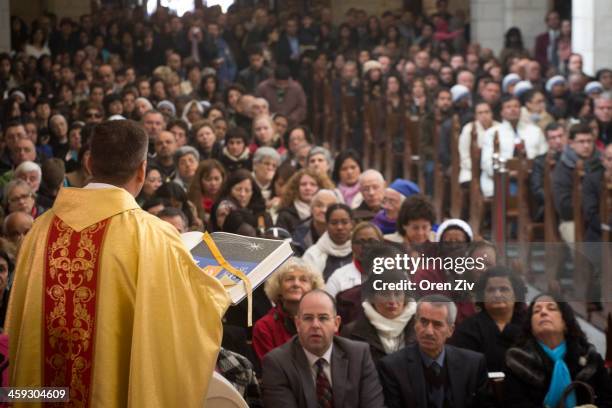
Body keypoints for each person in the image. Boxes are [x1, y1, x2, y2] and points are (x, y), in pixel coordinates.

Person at [6, 120, 230, 407]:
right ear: (142, 170)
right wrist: (220, 293)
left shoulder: (39, 231)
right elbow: (191, 319)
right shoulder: (153, 234)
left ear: (88, 163)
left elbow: (17, 327)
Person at [262, 289, 385, 408]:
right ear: (297, 324)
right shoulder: (277, 363)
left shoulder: (358, 354)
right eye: (308, 318)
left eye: (323, 318)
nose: (315, 325)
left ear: (336, 324)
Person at [378, 294, 492, 408]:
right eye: (423, 322)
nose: (429, 331)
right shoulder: (392, 367)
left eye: (437, 324)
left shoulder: (473, 364)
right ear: (415, 324)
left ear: (450, 330)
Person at [505, 293, 612, 407]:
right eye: (536, 311)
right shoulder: (517, 361)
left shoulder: (590, 357)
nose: (543, 312)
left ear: (565, 321)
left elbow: (608, 400)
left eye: (551, 308)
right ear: (530, 326)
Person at [449, 266, 527, 372]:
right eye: (491, 290)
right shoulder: (468, 329)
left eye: (504, 289)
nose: (497, 294)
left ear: (516, 294)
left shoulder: (529, 326)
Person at [341, 264, 417, 365]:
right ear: (372, 297)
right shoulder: (351, 333)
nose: (392, 301)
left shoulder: (420, 328)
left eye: (397, 293)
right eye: (385, 294)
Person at [252, 257, 324, 361]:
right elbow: (271, 369)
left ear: (313, 287)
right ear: (278, 287)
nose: (296, 284)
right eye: (289, 279)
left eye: (303, 280)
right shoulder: (264, 327)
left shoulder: (325, 320)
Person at [553, 123, 599, 243]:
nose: (586, 145)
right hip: (572, 220)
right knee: (583, 248)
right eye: (581, 141)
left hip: (600, 217)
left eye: (589, 141)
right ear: (571, 143)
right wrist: (590, 205)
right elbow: (563, 207)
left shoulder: (602, 163)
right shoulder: (563, 168)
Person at [326, 222, 383, 298]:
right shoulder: (337, 278)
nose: (366, 246)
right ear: (352, 247)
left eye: (372, 241)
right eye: (360, 242)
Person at [303, 204, 354, 280]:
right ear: (326, 225)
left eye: (344, 222)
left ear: (352, 224)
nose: (339, 227)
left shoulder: (362, 251)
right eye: (334, 223)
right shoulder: (312, 255)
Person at [292, 189, 340, 253]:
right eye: (319, 205)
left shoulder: (341, 231)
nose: (324, 210)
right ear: (311, 208)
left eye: (330, 207)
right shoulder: (299, 233)